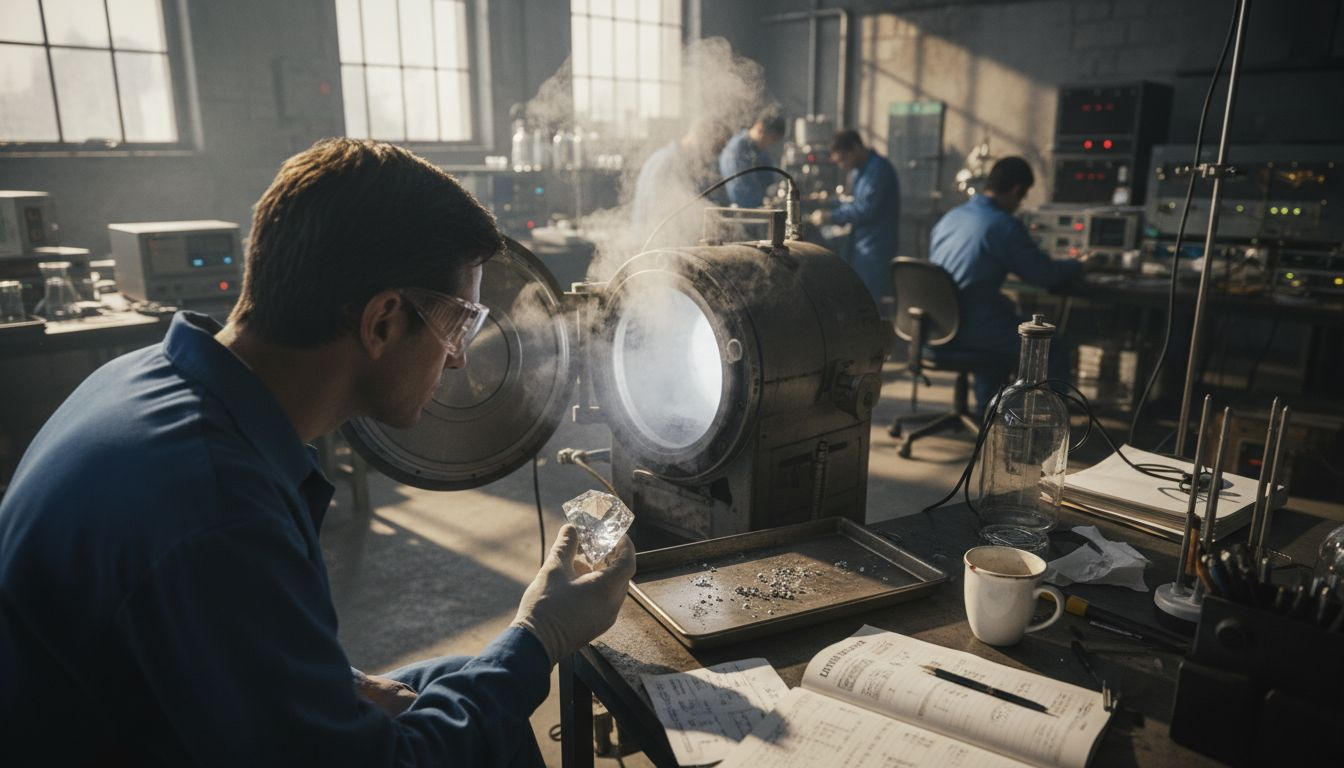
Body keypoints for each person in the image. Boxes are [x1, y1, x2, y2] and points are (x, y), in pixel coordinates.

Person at [0, 139, 635, 766]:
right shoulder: (218, 508)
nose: (460, 356)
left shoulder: (148, 379)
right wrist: (540, 632)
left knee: (462, 682)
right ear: (383, 321)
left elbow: (210, 635)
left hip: (158, 715)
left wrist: (341, 683)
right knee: (492, 691)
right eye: (457, 324)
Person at [928, 156, 1087, 413]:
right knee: (1051, 346)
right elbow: (1044, 275)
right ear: (1016, 191)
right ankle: (1047, 429)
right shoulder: (1004, 225)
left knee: (1001, 324)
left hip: (934, 325)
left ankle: (990, 415)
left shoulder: (951, 217)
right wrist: (1078, 264)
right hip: (971, 327)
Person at [810, 129, 901, 310]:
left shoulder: (879, 170)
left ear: (856, 148)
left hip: (876, 246)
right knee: (859, 294)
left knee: (870, 299)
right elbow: (852, 201)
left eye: (843, 159)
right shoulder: (858, 171)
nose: (842, 166)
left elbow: (866, 209)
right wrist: (826, 200)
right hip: (860, 243)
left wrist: (830, 216)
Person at [630, 117, 732, 248]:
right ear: (704, 139)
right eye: (715, 149)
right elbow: (666, 217)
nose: (713, 157)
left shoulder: (675, 159)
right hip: (657, 249)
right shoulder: (669, 164)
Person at [718, 108, 786, 208]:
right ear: (760, 128)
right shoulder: (736, 151)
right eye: (772, 139)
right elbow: (741, 194)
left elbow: (769, 181)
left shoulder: (760, 152)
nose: (770, 144)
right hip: (744, 215)